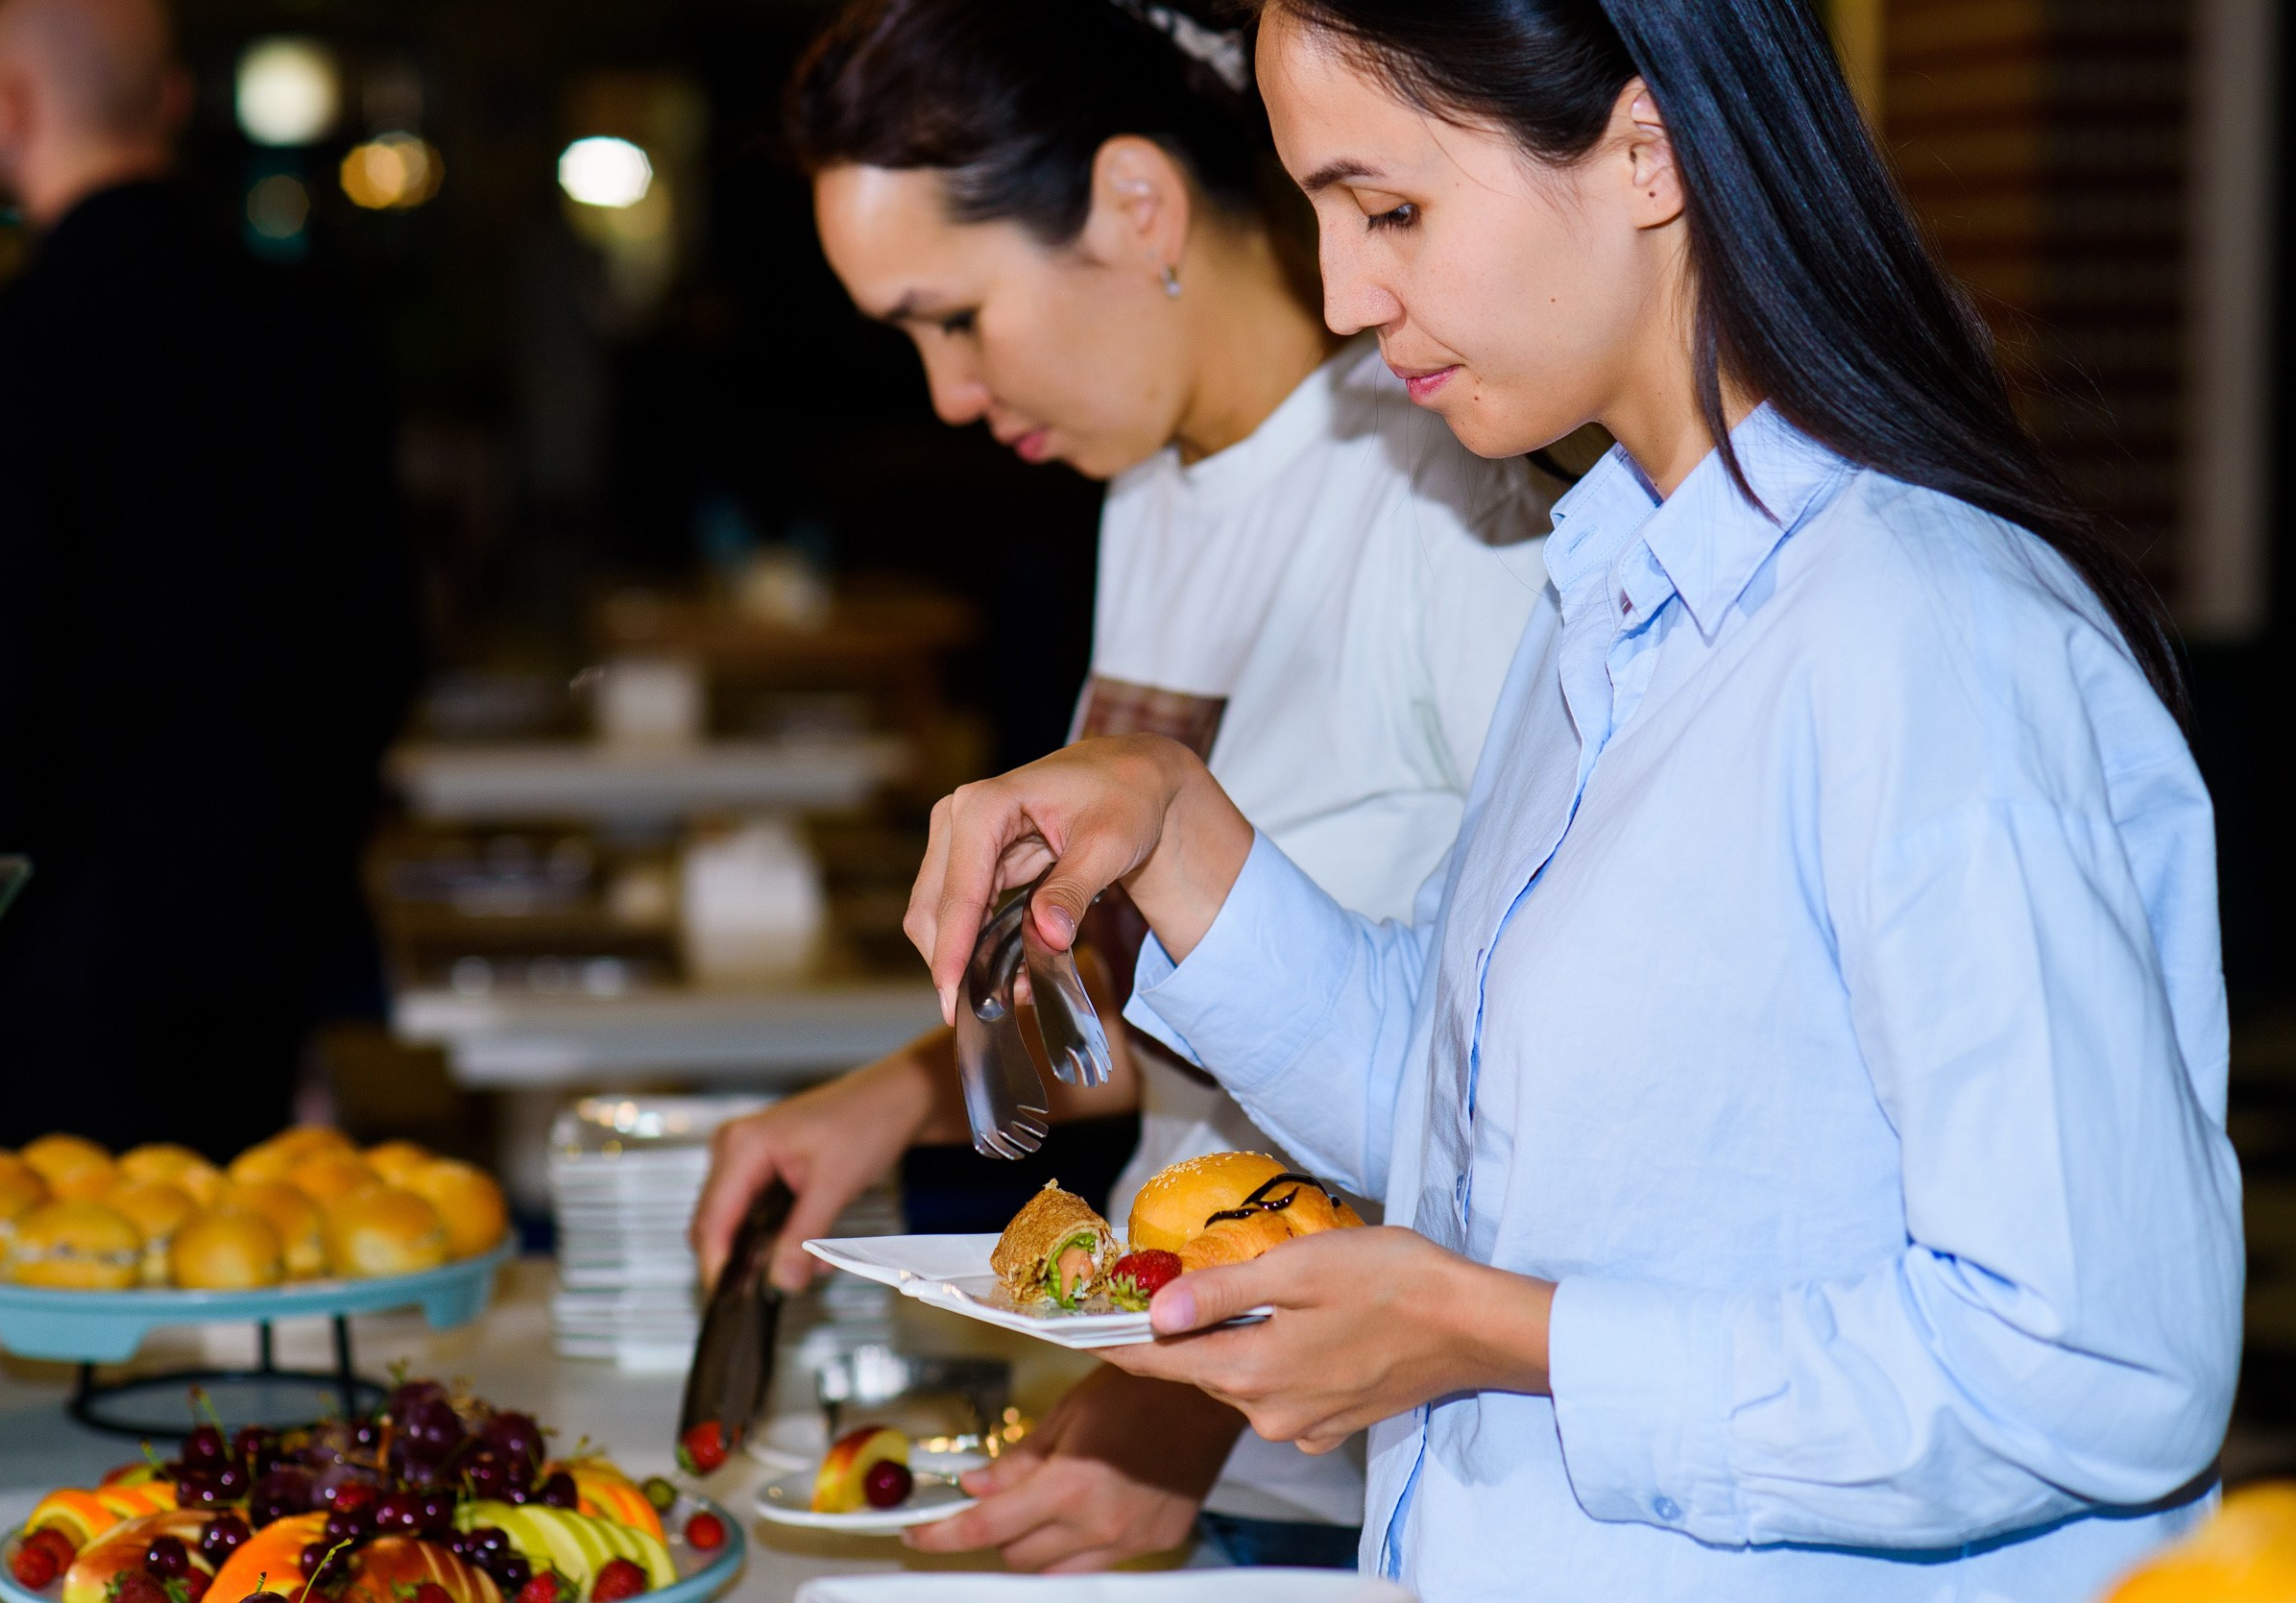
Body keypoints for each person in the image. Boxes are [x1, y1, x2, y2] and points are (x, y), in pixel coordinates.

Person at [905, 0, 2243, 1598]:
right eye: (1321, 212)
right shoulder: (1610, 584)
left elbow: (2096, 1367)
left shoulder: (1918, 633)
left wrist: (1499, 1335)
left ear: (1647, 149)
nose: (1345, 291)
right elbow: (1491, 1125)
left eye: (1390, 207)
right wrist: (1179, 830)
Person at [690, 0, 1554, 1572]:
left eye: (956, 317)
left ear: (1137, 206)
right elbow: (1180, 992)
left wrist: (1188, 1419)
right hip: (1196, 1400)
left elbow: (1508, 1086)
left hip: (1365, 1472)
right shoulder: (1152, 480)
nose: (948, 393)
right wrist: (897, 1094)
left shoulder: (1452, 497)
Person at [0, 0, 417, 1159]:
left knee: (49, 1275)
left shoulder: (4, 345)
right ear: (177, 102)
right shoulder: (314, 328)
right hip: (270, 912)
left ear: (5, 111)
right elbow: (383, 642)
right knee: (253, 1255)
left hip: (56, 938)